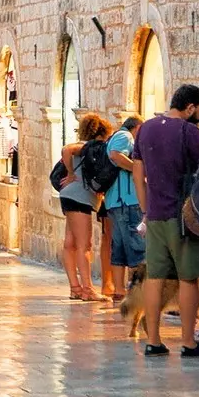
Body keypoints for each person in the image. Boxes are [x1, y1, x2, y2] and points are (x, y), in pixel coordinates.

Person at [135, 84, 199, 356]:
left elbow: (138, 171)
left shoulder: (145, 128)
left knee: (154, 277)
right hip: (182, 217)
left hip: (155, 214)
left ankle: (153, 340)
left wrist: (146, 209)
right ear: (190, 107)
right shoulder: (188, 132)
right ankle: (189, 341)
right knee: (188, 278)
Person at [57, 113, 108, 303]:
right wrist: (70, 174)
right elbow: (67, 149)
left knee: (70, 244)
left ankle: (75, 288)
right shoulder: (85, 147)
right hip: (79, 197)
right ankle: (87, 289)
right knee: (84, 245)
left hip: (69, 195)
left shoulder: (85, 149)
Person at [103, 117, 144, 300]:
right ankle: (138, 292)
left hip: (114, 202)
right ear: (137, 127)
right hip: (127, 201)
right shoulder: (125, 136)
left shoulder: (114, 137)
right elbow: (115, 155)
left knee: (118, 247)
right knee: (137, 245)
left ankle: (119, 290)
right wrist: (137, 170)